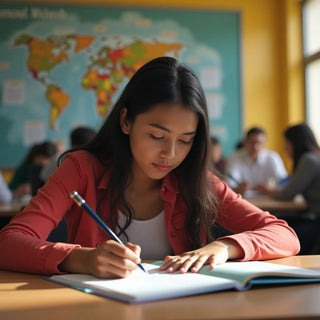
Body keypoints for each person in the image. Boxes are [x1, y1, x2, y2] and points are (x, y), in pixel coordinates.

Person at [0, 57, 299, 278]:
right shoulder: (81, 169)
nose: (170, 154)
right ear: (126, 121)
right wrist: (82, 259)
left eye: (185, 140)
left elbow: (284, 234)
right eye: (157, 136)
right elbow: (8, 243)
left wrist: (223, 248)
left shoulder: (198, 181)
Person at [258, 123, 320, 254]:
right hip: (313, 217)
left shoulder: (309, 160)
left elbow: (287, 194)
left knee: (274, 230)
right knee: (276, 224)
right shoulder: (313, 156)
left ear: (295, 143)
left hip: (316, 220)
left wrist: (269, 191)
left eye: (287, 144)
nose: (285, 149)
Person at [225, 127, 288, 197]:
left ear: (264, 144)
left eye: (259, 143)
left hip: (266, 201)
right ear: (245, 142)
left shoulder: (272, 157)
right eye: (252, 142)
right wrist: (237, 189)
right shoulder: (235, 157)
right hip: (242, 200)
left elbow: (284, 181)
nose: (255, 147)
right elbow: (228, 184)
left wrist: (270, 189)